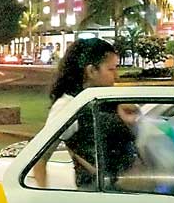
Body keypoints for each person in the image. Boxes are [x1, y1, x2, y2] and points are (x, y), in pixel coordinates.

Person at [34, 37, 120, 188]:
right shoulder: (68, 107)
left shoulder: (101, 100)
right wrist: (43, 195)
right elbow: (39, 157)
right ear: (92, 71)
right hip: (97, 197)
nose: (116, 76)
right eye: (111, 69)